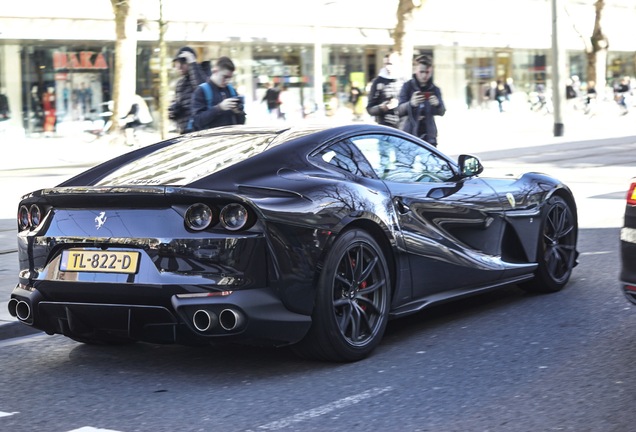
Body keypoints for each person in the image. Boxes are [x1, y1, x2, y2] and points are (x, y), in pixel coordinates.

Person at [397, 54, 446, 146]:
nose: (424, 75)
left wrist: (437, 104)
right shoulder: (407, 86)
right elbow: (398, 110)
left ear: (431, 71)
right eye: (421, 72)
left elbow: (442, 111)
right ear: (415, 70)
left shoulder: (435, 89)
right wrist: (410, 104)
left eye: (427, 72)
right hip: (409, 135)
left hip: (429, 136)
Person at [189, 56, 246, 131]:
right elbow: (197, 121)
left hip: (231, 138)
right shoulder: (201, 91)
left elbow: (241, 122)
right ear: (215, 71)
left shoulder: (231, 90)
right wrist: (219, 108)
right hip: (210, 140)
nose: (227, 81)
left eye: (230, 77)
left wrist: (239, 112)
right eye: (225, 77)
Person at [169, 46, 208, 134]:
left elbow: (201, 88)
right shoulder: (180, 83)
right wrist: (174, 112)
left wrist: (192, 63)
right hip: (184, 132)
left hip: (199, 131)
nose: (179, 67)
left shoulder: (203, 75)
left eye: (183, 62)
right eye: (177, 63)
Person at [366, 52, 403, 128]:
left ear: (398, 64)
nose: (387, 67)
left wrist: (399, 102)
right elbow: (370, 109)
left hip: (403, 127)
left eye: (390, 64)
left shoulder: (404, 81)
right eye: (386, 64)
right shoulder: (377, 82)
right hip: (385, 127)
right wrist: (383, 107)